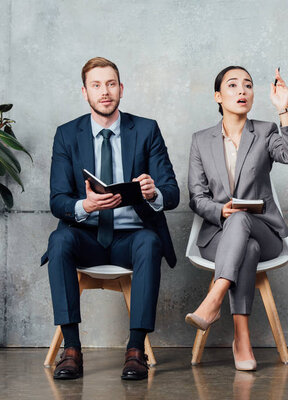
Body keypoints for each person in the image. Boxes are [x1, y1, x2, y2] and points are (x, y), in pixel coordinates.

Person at [41, 57, 179, 381]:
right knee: (58, 240)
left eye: (111, 84)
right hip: (86, 237)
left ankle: (135, 350)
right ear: (85, 92)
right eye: (97, 85)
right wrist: (85, 206)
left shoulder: (146, 130)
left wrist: (152, 192)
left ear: (121, 89)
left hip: (131, 238)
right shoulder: (66, 134)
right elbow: (57, 199)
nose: (105, 92)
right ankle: (72, 349)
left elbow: (171, 193)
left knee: (149, 241)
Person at [186, 66, 288, 371]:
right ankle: (242, 338)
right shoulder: (201, 140)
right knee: (244, 244)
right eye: (233, 85)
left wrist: (284, 109)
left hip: (265, 232)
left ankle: (214, 299)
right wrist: (219, 210)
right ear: (218, 96)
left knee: (244, 225)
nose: (242, 91)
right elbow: (196, 198)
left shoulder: (264, 131)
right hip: (218, 236)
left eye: (248, 85)